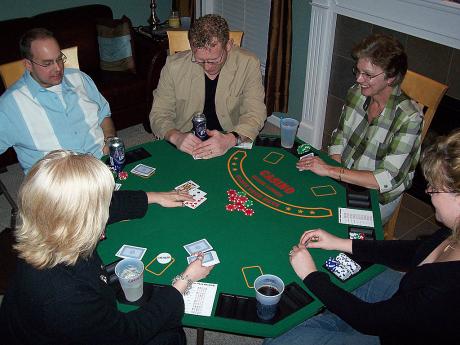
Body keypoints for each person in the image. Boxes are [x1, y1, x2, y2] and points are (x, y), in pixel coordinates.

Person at [266, 129, 460, 345]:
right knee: (348, 271)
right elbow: (414, 251)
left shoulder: (447, 289)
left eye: (435, 188)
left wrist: (311, 276)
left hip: (398, 337)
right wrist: (340, 243)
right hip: (406, 298)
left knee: (277, 340)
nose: (429, 191)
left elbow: (368, 319)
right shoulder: (454, 229)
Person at [0, 150, 213, 344]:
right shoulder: (65, 296)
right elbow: (128, 334)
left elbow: (106, 205)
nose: (107, 206)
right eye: (101, 204)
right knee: (170, 336)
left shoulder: (46, 223)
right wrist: (183, 282)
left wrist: (154, 197)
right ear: (81, 219)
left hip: (42, 322)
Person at [297, 34, 423, 224]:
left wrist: (332, 172)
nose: (359, 79)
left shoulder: (410, 118)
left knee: (332, 227)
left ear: (390, 77)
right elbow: (340, 135)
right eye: (357, 70)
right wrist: (335, 171)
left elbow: (385, 178)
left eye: (368, 75)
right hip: (344, 174)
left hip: (378, 196)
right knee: (302, 202)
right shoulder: (356, 93)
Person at [149, 14, 267, 159]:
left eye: (214, 60)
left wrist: (231, 139)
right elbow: (159, 113)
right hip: (186, 139)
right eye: (199, 60)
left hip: (230, 136)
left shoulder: (248, 63)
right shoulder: (173, 66)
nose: (207, 67)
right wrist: (176, 136)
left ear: (228, 45)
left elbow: (255, 113)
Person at [0, 28, 116, 174]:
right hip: (58, 183)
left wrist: (110, 138)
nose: (58, 68)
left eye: (59, 58)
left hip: (102, 165)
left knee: (146, 190)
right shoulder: (10, 104)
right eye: (47, 63)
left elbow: (104, 115)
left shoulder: (79, 78)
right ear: (28, 65)